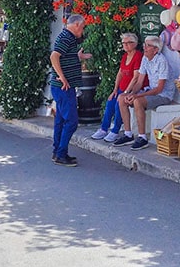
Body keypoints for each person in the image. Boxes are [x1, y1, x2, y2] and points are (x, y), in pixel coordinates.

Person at [113, 35, 174, 150]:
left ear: (156, 50)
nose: (145, 48)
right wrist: (130, 93)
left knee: (138, 101)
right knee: (122, 98)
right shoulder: (145, 59)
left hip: (163, 95)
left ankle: (142, 137)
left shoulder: (162, 61)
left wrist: (137, 95)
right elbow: (139, 82)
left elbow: (159, 89)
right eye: (144, 45)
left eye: (148, 46)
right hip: (150, 91)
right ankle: (128, 134)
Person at [49, 14, 91, 166]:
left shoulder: (68, 38)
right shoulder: (66, 37)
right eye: (83, 26)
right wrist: (63, 77)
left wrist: (78, 57)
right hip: (64, 87)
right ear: (77, 24)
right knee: (72, 122)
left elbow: (64, 56)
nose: (83, 30)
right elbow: (54, 57)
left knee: (60, 120)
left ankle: (58, 152)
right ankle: (61, 154)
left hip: (62, 88)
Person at [90, 32, 143, 142]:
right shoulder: (125, 56)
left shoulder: (138, 56)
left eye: (128, 43)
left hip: (132, 89)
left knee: (119, 104)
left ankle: (115, 131)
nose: (125, 45)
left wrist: (126, 92)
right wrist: (115, 90)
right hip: (121, 88)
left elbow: (136, 77)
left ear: (135, 43)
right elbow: (120, 73)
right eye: (124, 43)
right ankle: (104, 129)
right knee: (110, 102)